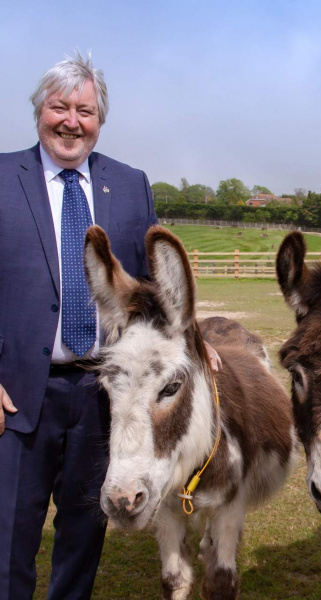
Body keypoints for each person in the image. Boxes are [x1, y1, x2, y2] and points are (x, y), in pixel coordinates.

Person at [0, 52, 159, 600]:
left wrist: (195, 343)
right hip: (17, 395)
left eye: (85, 111)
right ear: (38, 111)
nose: (72, 121)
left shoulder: (132, 185)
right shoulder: (0, 177)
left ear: (100, 119)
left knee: (82, 536)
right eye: (59, 107)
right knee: (8, 542)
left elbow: (154, 288)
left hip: (101, 394)